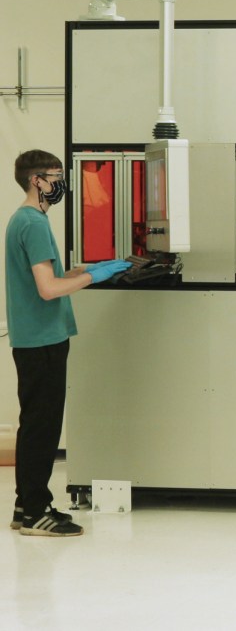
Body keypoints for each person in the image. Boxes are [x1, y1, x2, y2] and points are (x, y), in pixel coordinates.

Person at [6, 151, 130, 537]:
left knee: (36, 424)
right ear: (36, 181)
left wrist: (89, 268)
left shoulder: (27, 219)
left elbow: (51, 276)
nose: (61, 184)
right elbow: (48, 289)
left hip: (36, 337)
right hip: (42, 339)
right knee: (42, 428)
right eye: (55, 176)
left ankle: (25, 506)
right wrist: (94, 278)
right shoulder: (33, 223)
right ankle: (36, 513)